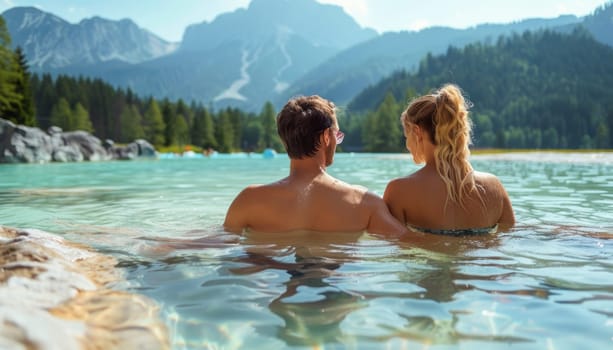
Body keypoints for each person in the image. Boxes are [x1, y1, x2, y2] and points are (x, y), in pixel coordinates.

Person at [224, 95, 407, 236]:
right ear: (326, 137)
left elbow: (216, 245)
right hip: (334, 281)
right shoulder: (364, 203)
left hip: (273, 278)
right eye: (338, 135)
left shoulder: (249, 200)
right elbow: (414, 246)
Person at [383, 84, 515, 235]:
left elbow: (393, 246)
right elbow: (511, 237)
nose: (407, 145)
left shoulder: (399, 191)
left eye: (406, 137)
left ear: (417, 132)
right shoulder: (494, 186)